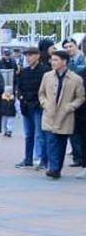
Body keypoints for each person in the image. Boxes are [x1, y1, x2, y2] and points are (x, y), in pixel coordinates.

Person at [39, 50, 83, 180]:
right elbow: (41, 93)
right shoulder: (47, 76)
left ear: (64, 61)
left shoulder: (75, 78)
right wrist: (45, 103)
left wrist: (71, 106)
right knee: (51, 141)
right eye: (52, 60)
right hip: (49, 114)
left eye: (56, 60)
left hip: (65, 115)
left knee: (61, 143)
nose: (53, 62)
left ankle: (56, 168)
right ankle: (53, 168)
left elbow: (80, 97)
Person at [15, 47, 49, 169]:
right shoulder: (24, 71)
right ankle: (28, 159)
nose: (28, 58)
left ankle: (42, 159)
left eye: (31, 55)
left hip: (38, 106)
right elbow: (19, 87)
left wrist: (41, 102)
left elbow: (46, 89)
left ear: (38, 56)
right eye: (27, 55)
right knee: (29, 134)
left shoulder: (45, 71)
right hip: (26, 106)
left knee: (40, 135)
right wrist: (21, 98)